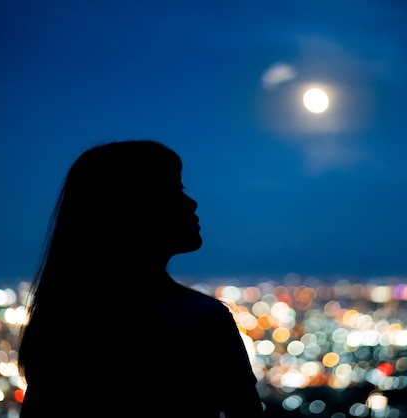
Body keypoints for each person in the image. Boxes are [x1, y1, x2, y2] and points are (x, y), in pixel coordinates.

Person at [17, 139, 263, 417]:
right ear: (135, 208)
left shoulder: (65, 320)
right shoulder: (202, 320)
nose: (191, 202)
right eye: (175, 190)